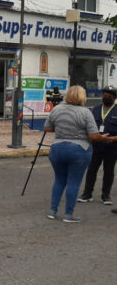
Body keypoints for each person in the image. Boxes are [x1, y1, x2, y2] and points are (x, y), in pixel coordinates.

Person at [43, 85, 115, 223]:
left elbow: (47, 128)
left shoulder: (57, 109)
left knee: (59, 180)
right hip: (78, 149)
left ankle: (53, 211)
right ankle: (68, 214)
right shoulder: (85, 112)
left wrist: (62, 129)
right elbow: (94, 136)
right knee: (73, 183)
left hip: (57, 148)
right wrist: (104, 138)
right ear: (82, 97)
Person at [77, 85, 117, 205]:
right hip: (96, 146)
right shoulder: (94, 109)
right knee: (91, 170)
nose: (106, 96)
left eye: (109, 94)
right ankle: (87, 194)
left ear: (114, 97)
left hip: (112, 147)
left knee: (109, 171)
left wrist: (112, 138)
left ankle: (106, 196)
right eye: (105, 93)